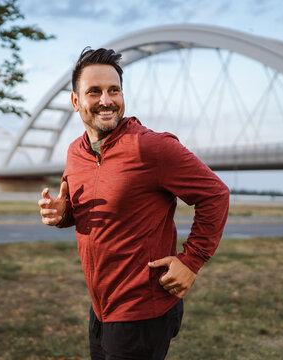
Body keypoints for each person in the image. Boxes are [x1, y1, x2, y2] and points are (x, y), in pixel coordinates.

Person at [38, 47, 229, 360]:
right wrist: (64, 214)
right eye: (94, 91)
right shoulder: (76, 152)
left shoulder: (151, 147)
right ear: (76, 102)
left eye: (114, 90)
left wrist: (192, 261)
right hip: (101, 307)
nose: (106, 100)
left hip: (142, 311)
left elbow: (216, 194)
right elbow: (95, 205)